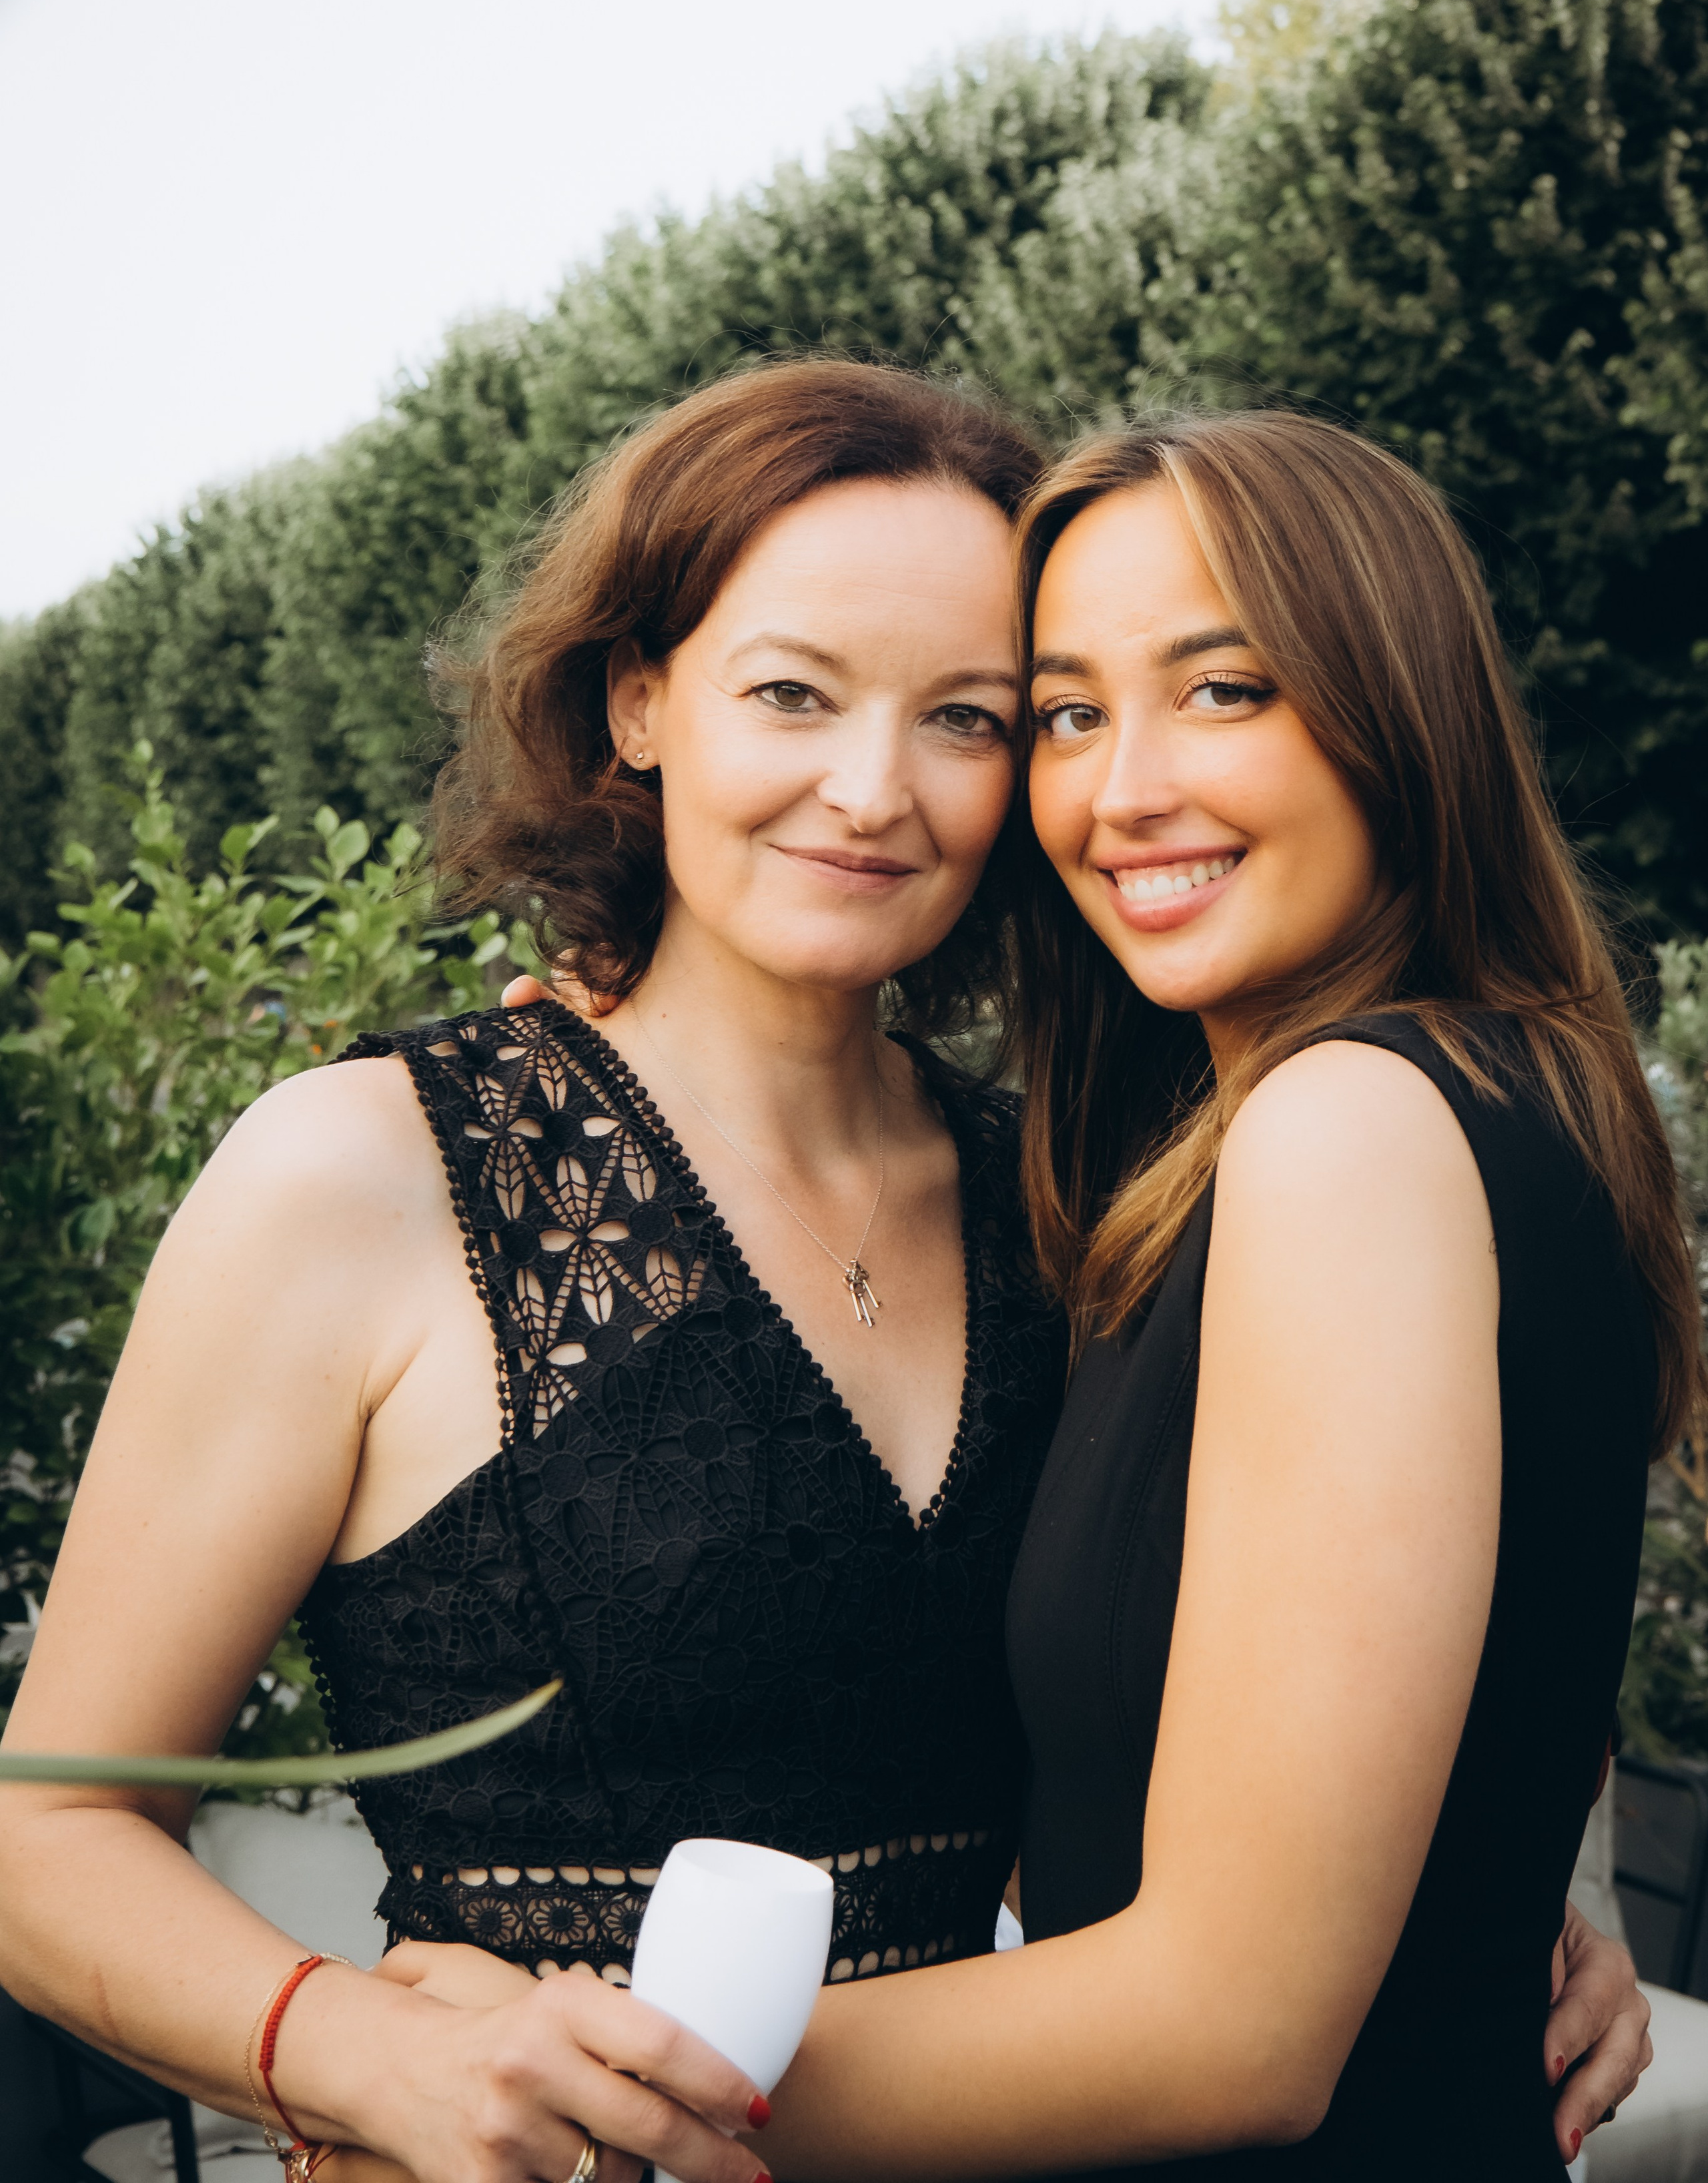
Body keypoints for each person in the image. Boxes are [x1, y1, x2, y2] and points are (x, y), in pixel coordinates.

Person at [0, 375, 1650, 2183]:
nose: (871, 791)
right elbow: (46, 1828)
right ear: (640, 700)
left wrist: (1478, 1922)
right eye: (792, 689)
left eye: (967, 717)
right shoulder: (365, 1174)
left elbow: (1230, 1766)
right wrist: (372, 2057)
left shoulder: (1087, 1197)